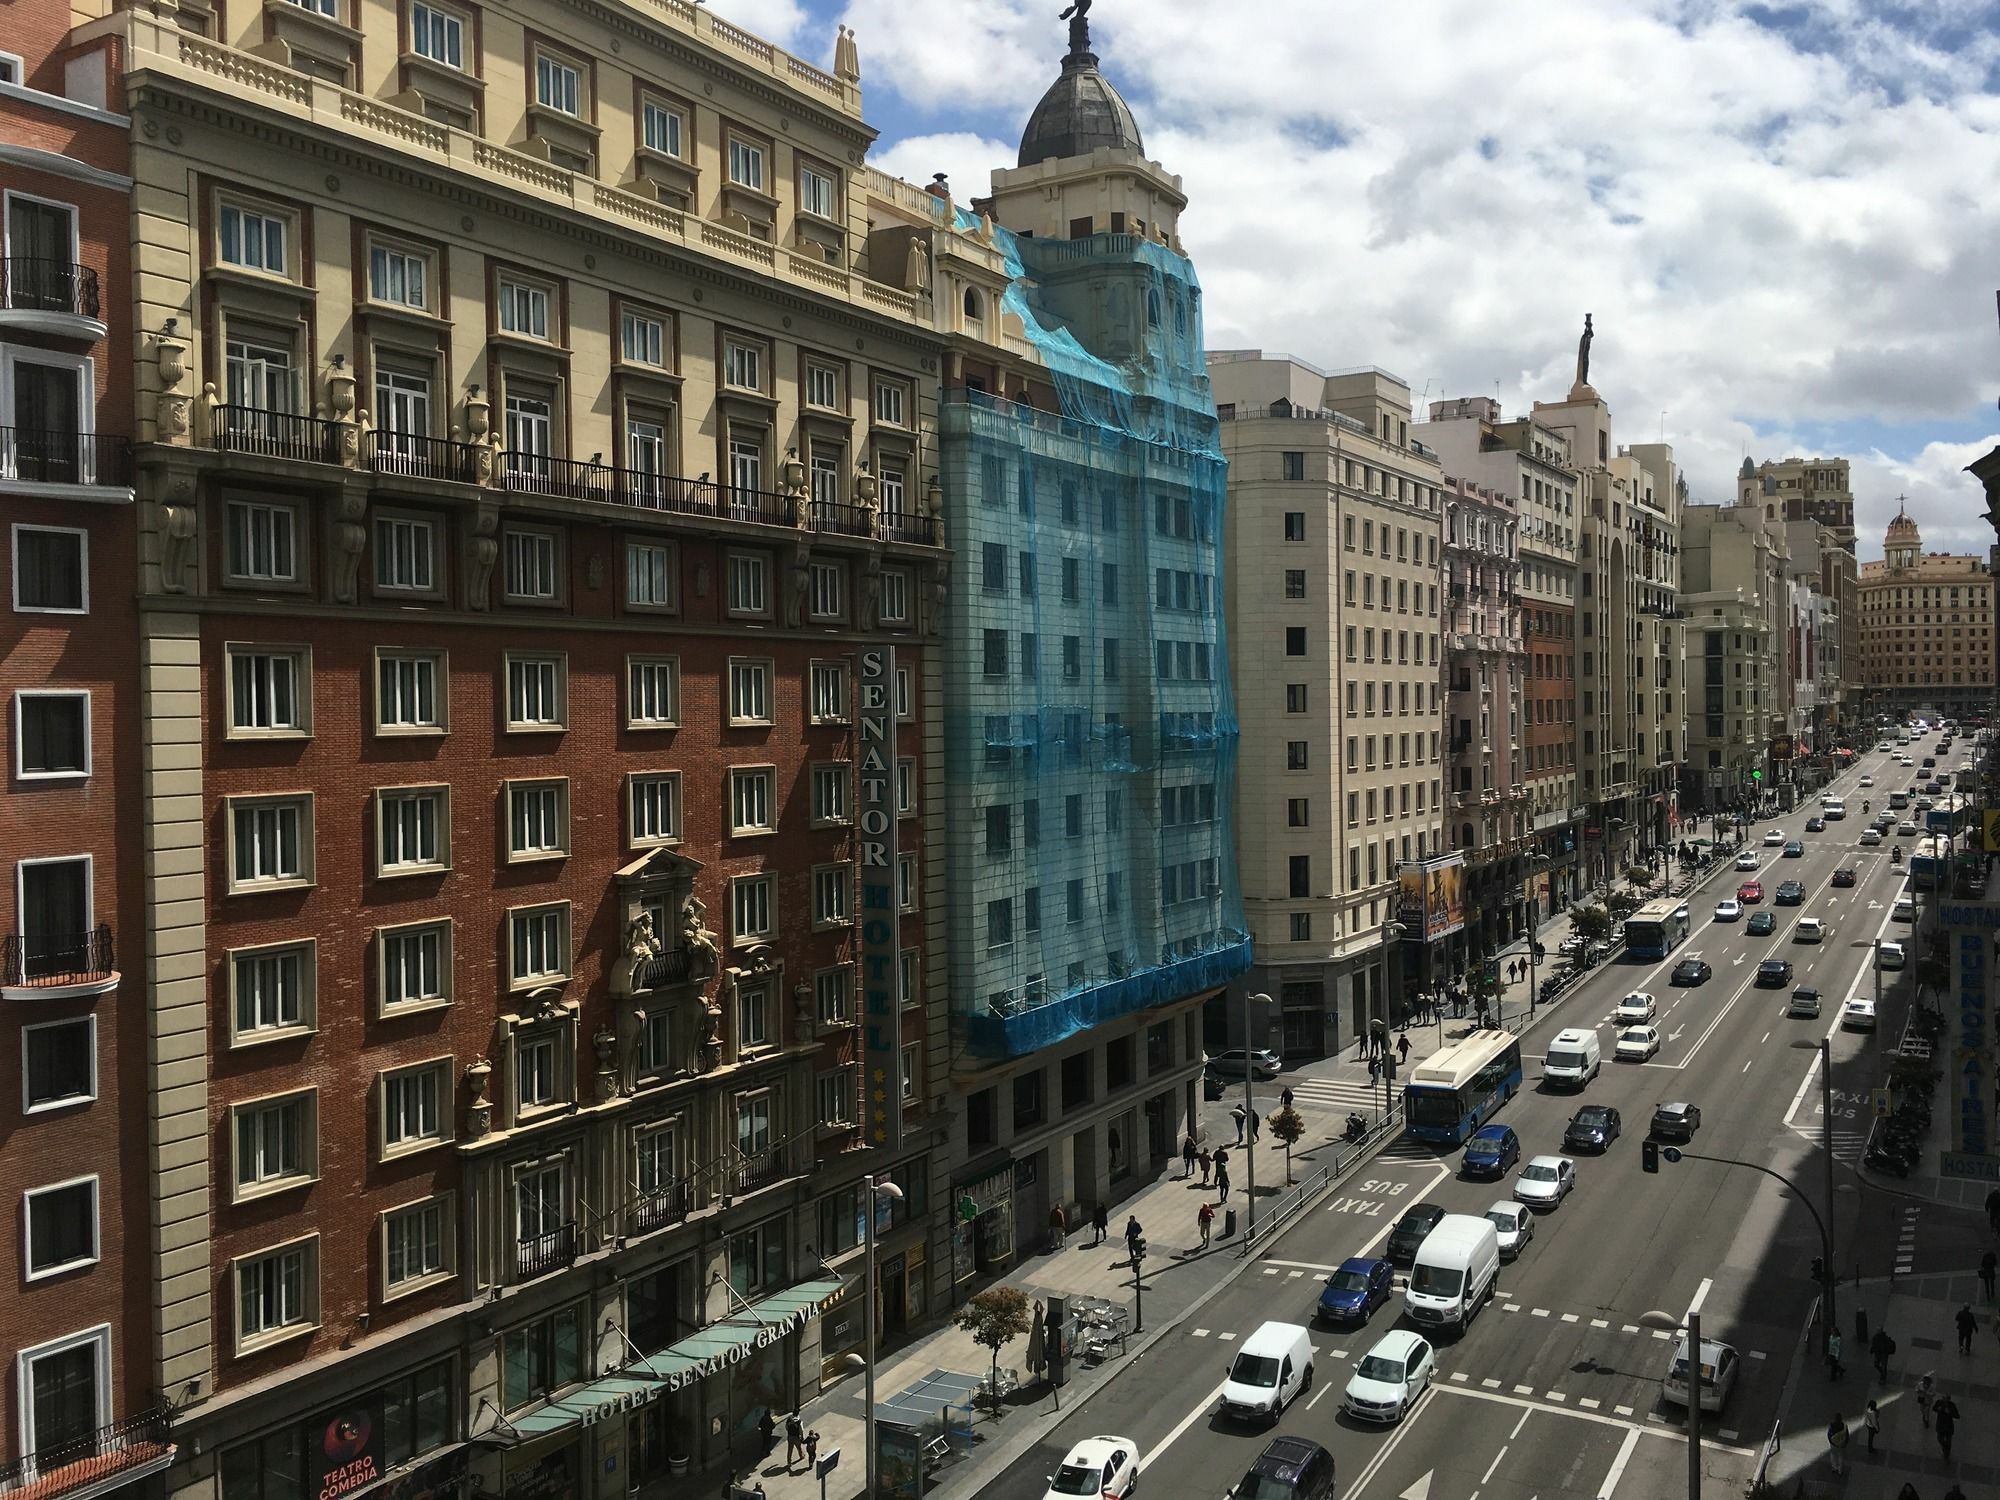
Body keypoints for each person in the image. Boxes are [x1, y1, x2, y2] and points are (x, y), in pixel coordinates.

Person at [1934, 1393, 1959, 1459]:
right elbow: (1934, 1408)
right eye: (1943, 1398)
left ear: (1948, 1399)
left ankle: (1947, 1453)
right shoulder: (1939, 1402)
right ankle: (1944, 1447)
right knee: (1940, 1439)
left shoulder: (1952, 1405)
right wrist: (1937, 1409)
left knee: (1948, 1440)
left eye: (1945, 1398)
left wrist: (1950, 1412)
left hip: (1948, 1426)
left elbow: (1957, 1416)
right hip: (1940, 1424)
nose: (1943, 1399)